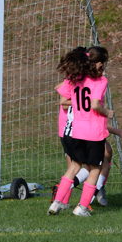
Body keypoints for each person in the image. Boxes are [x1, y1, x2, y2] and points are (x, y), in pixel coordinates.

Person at [48, 45, 113, 217]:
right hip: (93, 132)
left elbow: (62, 94)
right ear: (99, 63)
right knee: (95, 169)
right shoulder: (101, 81)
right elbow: (95, 104)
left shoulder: (76, 78)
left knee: (75, 166)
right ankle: (82, 207)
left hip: (75, 131)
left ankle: (57, 202)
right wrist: (107, 112)